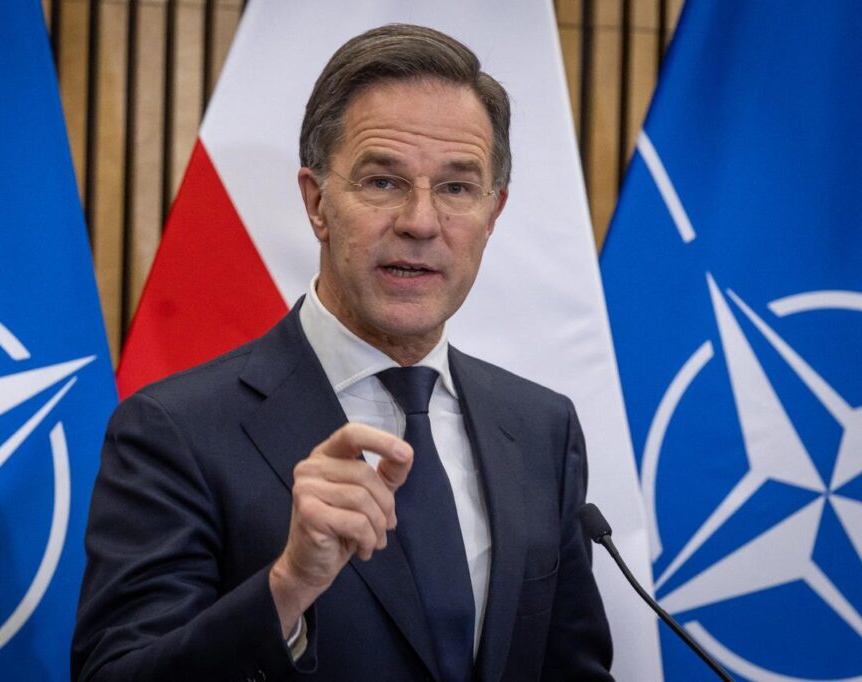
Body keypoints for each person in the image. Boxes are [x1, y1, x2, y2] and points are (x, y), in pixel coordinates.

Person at [72, 24, 613, 682]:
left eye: (456, 188)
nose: (420, 221)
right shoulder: (175, 430)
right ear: (317, 202)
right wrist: (289, 587)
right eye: (383, 182)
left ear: (493, 213)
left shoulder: (540, 429)